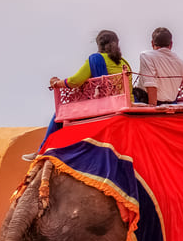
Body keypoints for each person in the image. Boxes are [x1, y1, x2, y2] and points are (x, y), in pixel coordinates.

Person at [27, 30, 131, 160]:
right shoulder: (124, 62)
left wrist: (56, 83)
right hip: (127, 103)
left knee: (58, 115)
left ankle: (42, 150)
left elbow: (75, 81)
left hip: (105, 106)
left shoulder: (95, 59)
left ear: (99, 45)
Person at [136, 27, 183, 106]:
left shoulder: (146, 56)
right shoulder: (179, 60)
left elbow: (151, 85)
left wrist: (152, 108)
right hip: (172, 102)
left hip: (149, 101)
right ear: (171, 44)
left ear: (152, 43)